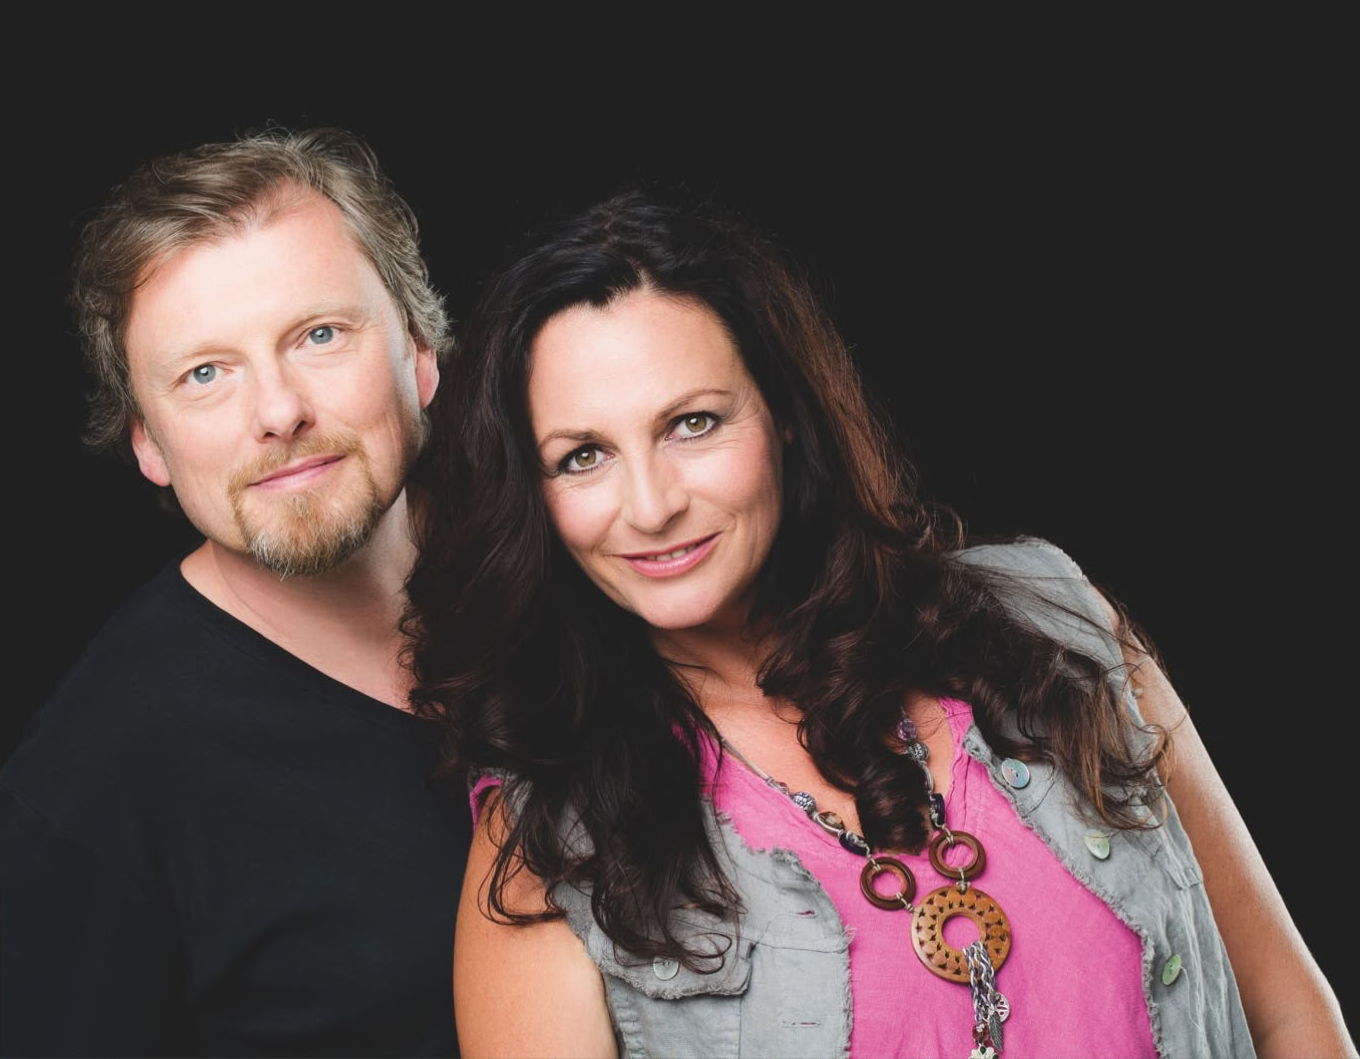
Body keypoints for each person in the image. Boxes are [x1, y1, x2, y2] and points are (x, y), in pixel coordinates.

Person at [405, 194, 1353, 1058]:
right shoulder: (550, 840)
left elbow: (1291, 1016)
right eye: (582, 456)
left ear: (783, 415)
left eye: (692, 423)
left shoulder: (1054, 620)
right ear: (533, 495)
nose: (651, 506)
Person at [0, 129, 468, 1055]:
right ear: (147, 441)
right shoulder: (91, 785)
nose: (279, 412)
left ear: (420, 352)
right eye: (205, 374)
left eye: (320, 335)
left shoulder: (585, 576)